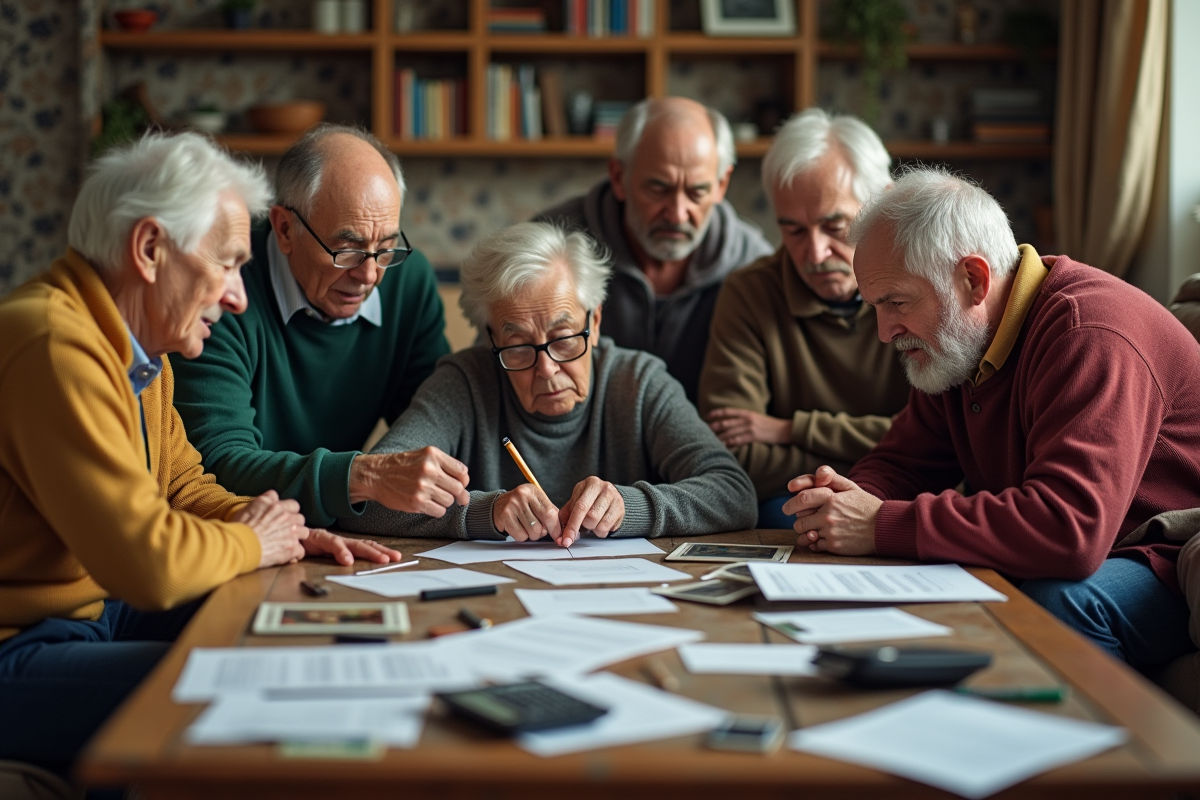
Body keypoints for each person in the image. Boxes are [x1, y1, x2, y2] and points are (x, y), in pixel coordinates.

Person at [0, 132, 401, 777]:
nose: (239, 296)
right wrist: (255, 541)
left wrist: (286, 531)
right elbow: (149, 564)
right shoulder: (54, 345)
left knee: (303, 616)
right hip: (19, 648)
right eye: (226, 263)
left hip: (98, 611)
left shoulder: (137, 347)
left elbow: (183, 486)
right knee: (244, 679)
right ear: (151, 250)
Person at [784, 167, 1200, 669]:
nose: (884, 331)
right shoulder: (962, 342)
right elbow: (904, 461)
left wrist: (879, 525)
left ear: (973, 279)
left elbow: (1070, 531)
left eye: (895, 302)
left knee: (1060, 601)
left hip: (1164, 552)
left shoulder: (1089, 333)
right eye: (874, 305)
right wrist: (846, 500)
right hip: (1099, 545)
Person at [338, 222, 757, 543]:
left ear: (594, 320)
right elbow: (367, 501)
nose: (547, 370)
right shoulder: (463, 383)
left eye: (563, 339)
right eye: (518, 347)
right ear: (492, 340)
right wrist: (490, 511)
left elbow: (733, 494)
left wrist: (631, 507)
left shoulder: (639, 382)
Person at [172, 123, 463, 529]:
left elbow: (441, 419)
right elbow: (215, 464)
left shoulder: (407, 281)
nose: (369, 276)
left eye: (385, 248)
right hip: (236, 533)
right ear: (285, 229)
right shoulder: (223, 290)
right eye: (346, 250)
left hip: (340, 531)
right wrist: (364, 477)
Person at [698, 108, 909, 528]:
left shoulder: (922, 289)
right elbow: (734, 457)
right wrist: (886, 449)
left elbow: (945, 445)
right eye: (793, 230)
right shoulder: (749, 294)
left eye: (835, 227)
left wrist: (790, 428)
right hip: (795, 505)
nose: (813, 254)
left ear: (883, 205)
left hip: (906, 496)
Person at [535, 97, 773, 402]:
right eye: (659, 189)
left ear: (721, 184)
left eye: (697, 191)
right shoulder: (550, 245)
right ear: (620, 178)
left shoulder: (753, 263)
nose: (677, 214)